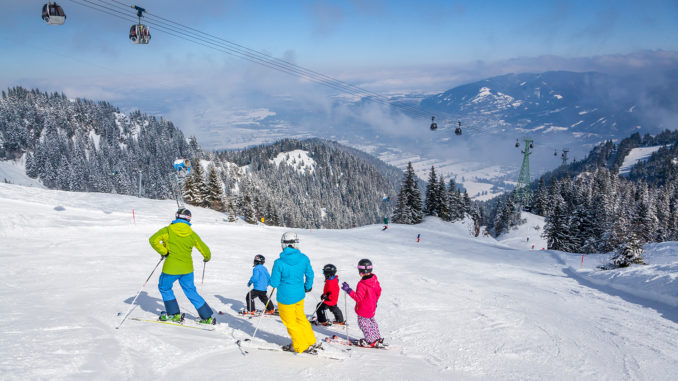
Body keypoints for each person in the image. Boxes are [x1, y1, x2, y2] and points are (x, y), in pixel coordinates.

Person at [148, 208, 215, 324]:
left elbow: (153, 240)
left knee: (164, 288)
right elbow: (206, 250)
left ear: (176, 216)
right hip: (187, 269)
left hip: (171, 268)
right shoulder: (192, 234)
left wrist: (164, 252)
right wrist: (206, 258)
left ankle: (173, 314)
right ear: (189, 219)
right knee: (190, 291)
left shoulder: (168, 230)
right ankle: (207, 316)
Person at [269, 232, 317, 354]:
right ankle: (310, 340)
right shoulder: (304, 258)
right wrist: (307, 286)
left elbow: (274, 283)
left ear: (283, 245)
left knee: (290, 322)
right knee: (300, 317)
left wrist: (275, 281)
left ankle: (300, 345)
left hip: (285, 297)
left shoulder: (279, 262)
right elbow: (310, 274)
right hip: (299, 295)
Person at [342, 258, 384, 348]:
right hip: (372, 307)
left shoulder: (362, 284)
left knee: (364, 324)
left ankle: (370, 341)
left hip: (363, 309)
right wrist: (375, 301)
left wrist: (348, 290)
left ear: (361, 271)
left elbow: (358, 298)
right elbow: (379, 292)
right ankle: (376, 337)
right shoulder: (374, 280)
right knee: (371, 322)